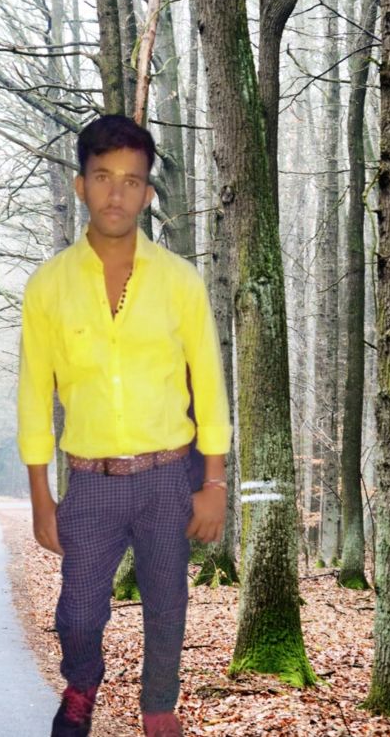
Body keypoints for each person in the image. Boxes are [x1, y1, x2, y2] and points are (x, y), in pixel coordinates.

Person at [18, 115, 231, 737]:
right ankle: (82, 681)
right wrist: (41, 497)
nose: (117, 193)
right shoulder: (49, 287)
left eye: (132, 181)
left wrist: (214, 482)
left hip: (168, 475)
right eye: (103, 177)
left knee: (167, 604)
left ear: (147, 193)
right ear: (80, 184)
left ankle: (158, 707)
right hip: (91, 481)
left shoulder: (180, 281)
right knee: (78, 614)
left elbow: (209, 385)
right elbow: (33, 395)